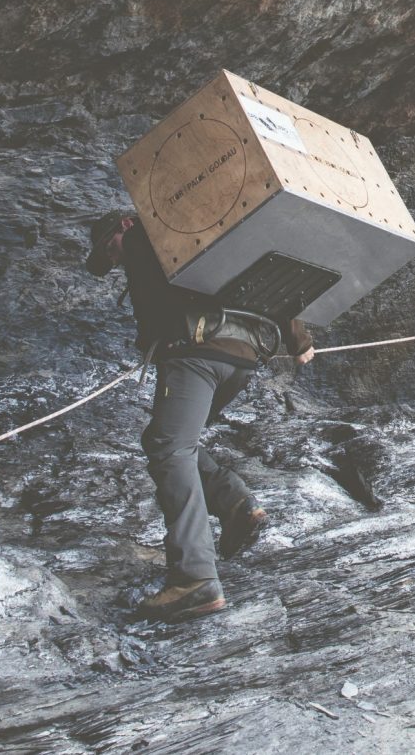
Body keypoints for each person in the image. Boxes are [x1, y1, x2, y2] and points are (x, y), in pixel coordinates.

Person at [86, 211, 315, 623]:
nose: (115, 260)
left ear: (121, 227)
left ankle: (194, 578)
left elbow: (149, 298)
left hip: (196, 356)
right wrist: (299, 338)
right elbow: (264, 266)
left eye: (110, 249)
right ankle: (235, 505)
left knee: (170, 448)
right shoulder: (203, 231)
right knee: (171, 440)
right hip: (243, 359)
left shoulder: (142, 235)